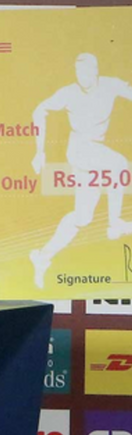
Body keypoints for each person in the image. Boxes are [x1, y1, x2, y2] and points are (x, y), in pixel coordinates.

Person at [30, 53, 132, 288]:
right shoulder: (69, 93)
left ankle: (42, 256)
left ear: (95, 70)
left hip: (95, 152)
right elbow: (39, 110)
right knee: (118, 163)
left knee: (82, 218)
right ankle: (115, 222)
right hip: (79, 150)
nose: (82, 77)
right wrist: (40, 151)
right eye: (78, 72)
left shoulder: (110, 85)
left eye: (86, 72)